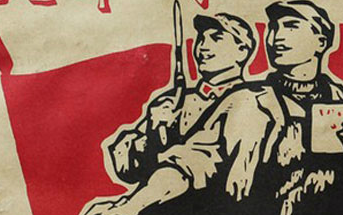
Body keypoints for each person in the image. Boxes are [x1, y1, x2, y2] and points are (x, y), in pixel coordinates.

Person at [76, 0, 343, 215]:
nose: (276, 36)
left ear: (321, 42)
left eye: (291, 26)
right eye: (274, 28)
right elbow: (192, 161)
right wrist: (131, 205)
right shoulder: (246, 100)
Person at [107, 12, 256, 186]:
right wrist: (154, 131)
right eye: (201, 38)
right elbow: (128, 171)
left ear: (242, 51)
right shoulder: (172, 101)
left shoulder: (254, 101)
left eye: (216, 38)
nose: (203, 47)